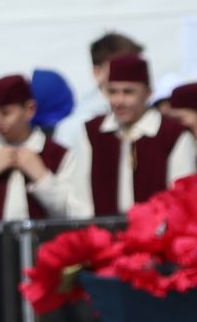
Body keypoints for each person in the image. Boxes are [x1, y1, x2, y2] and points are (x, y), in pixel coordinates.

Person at [62, 53, 197, 215]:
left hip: (157, 236)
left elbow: (180, 196)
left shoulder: (172, 134)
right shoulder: (93, 132)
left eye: (128, 92)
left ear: (148, 93)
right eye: (112, 92)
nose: (119, 101)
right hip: (104, 235)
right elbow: (80, 198)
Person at [0, 75, 87, 222]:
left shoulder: (59, 155)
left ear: (30, 110)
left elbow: (76, 214)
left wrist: (42, 179)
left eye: (6, 113)